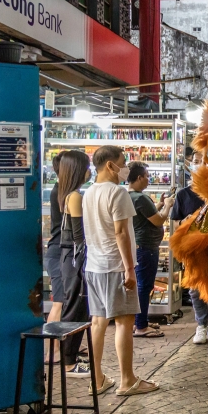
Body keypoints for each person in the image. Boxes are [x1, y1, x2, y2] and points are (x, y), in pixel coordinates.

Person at [82, 146, 160, 397]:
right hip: (115, 266)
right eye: (122, 162)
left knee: (97, 322)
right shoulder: (118, 193)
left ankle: (98, 379)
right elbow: (121, 232)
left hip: (94, 266)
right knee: (125, 323)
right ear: (109, 166)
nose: (125, 167)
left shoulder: (88, 193)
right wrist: (129, 269)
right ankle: (128, 380)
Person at [170, 149, 208, 360]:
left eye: (204, 161)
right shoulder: (183, 195)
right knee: (194, 291)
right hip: (192, 252)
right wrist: (190, 222)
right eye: (197, 160)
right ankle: (201, 325)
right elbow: (175, 223)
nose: (200, 164)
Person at [127, 161, 175, 338]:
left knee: (142, 286)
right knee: (144, 286)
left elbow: (148, 217)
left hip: (142, 246)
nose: (148, 179)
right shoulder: (140, 198)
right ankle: (140, 326)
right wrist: (169, 204)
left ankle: (140, 321)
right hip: (146, 248)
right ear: (139, 177)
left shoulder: (131, 196)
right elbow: (158, 221)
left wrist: (160, 204)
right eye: (147, 176)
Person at [56, 150, 93, 376]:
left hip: (69, 257)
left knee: (75, 307)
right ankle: (69, 361)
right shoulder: (76, 197)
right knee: (75, 309)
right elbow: (79, 237)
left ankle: (71, 354)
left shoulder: (68, 194)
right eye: (87, 166)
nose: (90, 171)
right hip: (75, 258)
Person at [45, 152, 68, 361]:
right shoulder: (61, 192)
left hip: (60, 252)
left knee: (62, 302)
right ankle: (52, 353)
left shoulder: (64, 191)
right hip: (58, 253)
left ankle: (61, 349)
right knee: (59, 303)